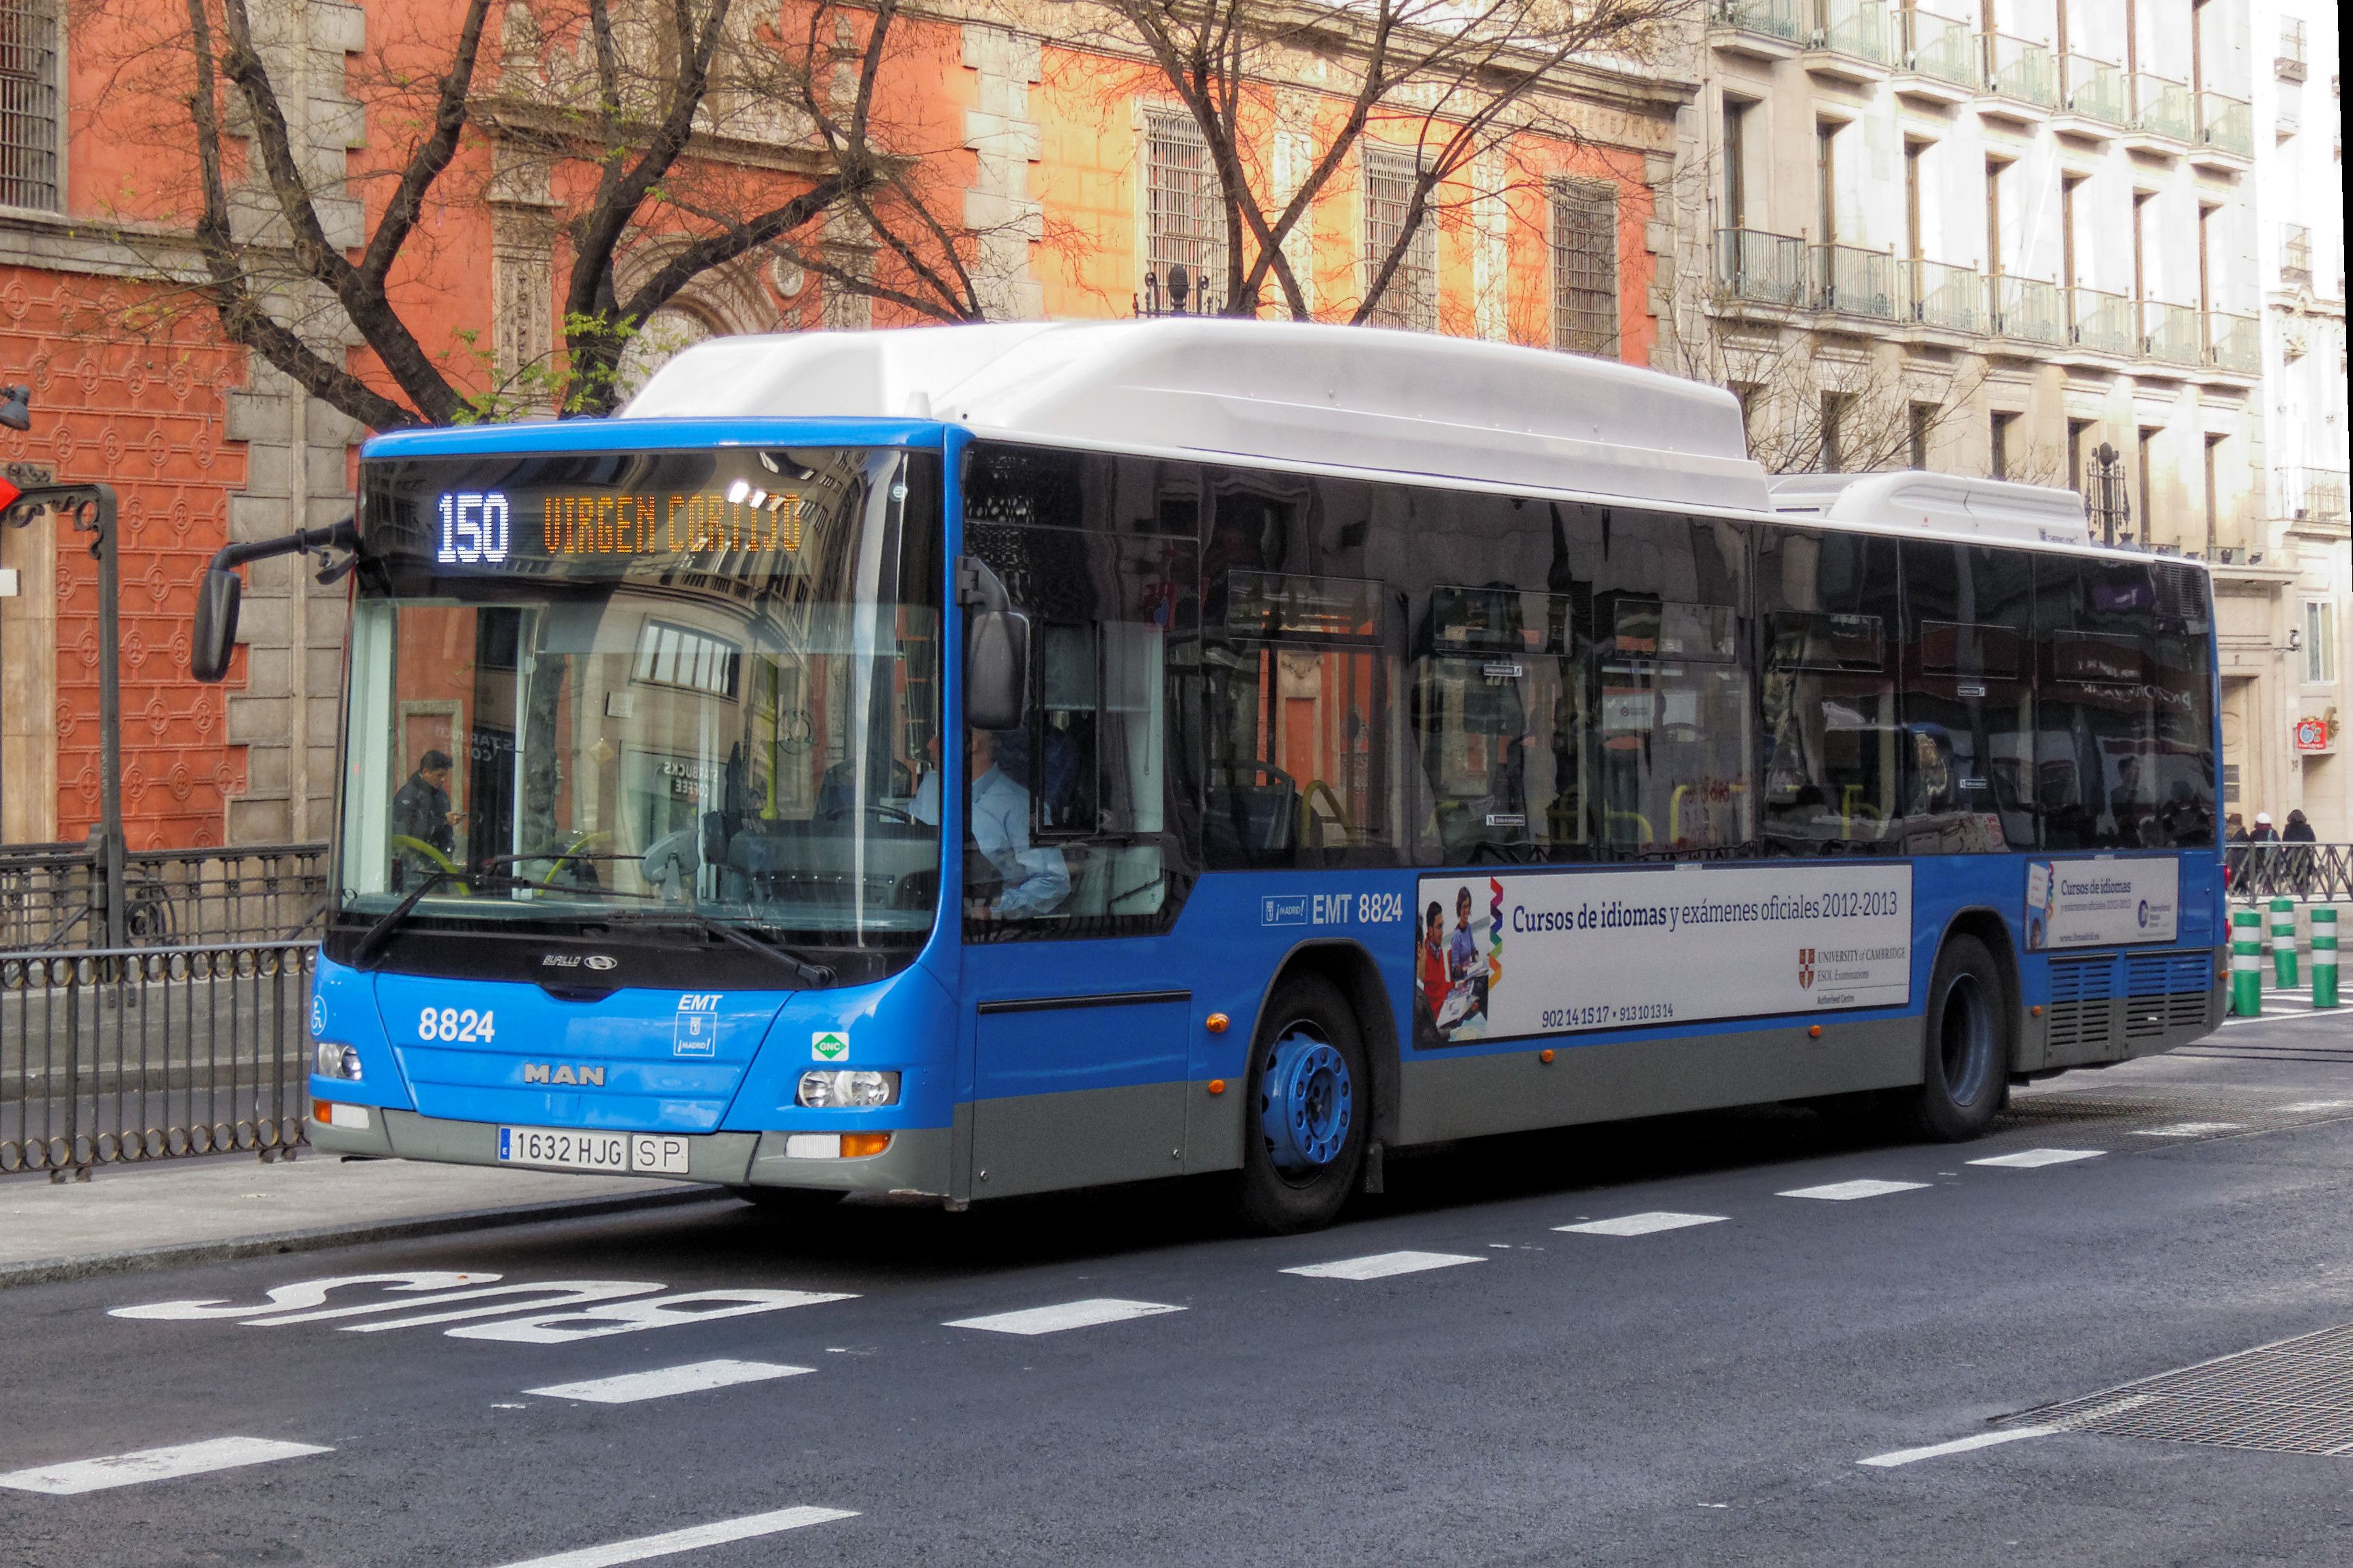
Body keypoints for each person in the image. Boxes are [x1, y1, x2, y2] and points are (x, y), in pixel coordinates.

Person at [966, 727, 1069, 919]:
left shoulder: (1019, 806)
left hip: (989, 935)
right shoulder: (931, 794)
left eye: (938, 736)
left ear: (972, 744)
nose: (930, 745)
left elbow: (1054, 881)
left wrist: (993, 910)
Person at [391, 750, 460, 859]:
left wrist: (448, 852)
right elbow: (409, 835)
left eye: (445, 775)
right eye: (439, 775)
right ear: (426, 772)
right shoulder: (407, 797)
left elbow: (447, 833)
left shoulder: (441, 795)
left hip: (439, 864)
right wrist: (444, 820)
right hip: (415, 867)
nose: (443, 780)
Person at [1419, 902, 1449, 1022]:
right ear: (1430, 930)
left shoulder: (1439, 950)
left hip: (1446, 1011)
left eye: (1442, 926)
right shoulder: (1423, 958)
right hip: (1435, 1022)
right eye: (1439, 927)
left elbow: (1441, 985)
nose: (1442, 932)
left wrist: (1457, 985)